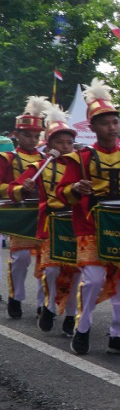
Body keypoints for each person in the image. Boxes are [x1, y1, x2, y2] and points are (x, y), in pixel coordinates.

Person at [57, 79, 120, 356]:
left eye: (115, 122)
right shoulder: (80, 158)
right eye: (105, 123)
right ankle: (82, 328)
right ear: (93, 127)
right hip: (90, 227)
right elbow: (62, 192)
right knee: (93, 280)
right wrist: (75, 188)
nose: (112, 127)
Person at [32, 105, 80, 336]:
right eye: (59, 142)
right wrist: (25, 187)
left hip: (76, 226)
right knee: (51, 270)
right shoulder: (40, 167)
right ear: (49, 144)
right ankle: (50, 306)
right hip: (51, 225)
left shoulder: (81, 166)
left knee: (77, 272)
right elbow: (17, 187)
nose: (65, 146)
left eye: (69, 142)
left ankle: (71, 315)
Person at [1, 96, 48, 319]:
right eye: (28, 135)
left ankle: (42, 303)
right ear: (16, 135)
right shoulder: (7, 158)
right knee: (20, 259)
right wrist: (18, 189)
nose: (33, 140)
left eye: (36, 136)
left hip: (43, 214)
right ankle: (15, 297)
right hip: (19, 215)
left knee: (46, 261)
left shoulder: (47, 159)